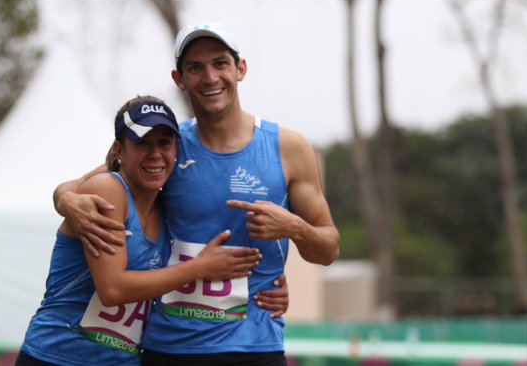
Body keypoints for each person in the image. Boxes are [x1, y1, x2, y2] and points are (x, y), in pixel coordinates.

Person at [54, 23, 340, 366]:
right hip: (171, 349)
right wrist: (65, 201)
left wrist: (294, 227)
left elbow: (328, 248)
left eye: (220, 63)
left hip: (254, 348)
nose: (210, 77)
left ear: (240, 69)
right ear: (179, 79)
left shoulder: (287, 148)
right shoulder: (168, 148)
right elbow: (77, 187)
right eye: (195, 68)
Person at [17, 95, 264, 366]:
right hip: (56, 357)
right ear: (119, 150)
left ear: (176, 150)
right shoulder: (108, 190)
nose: (155, 154)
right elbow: (112, 290)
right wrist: (198, 268)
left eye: (164, 143)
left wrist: (266, 286)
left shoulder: (167, 205)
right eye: (142, 143)